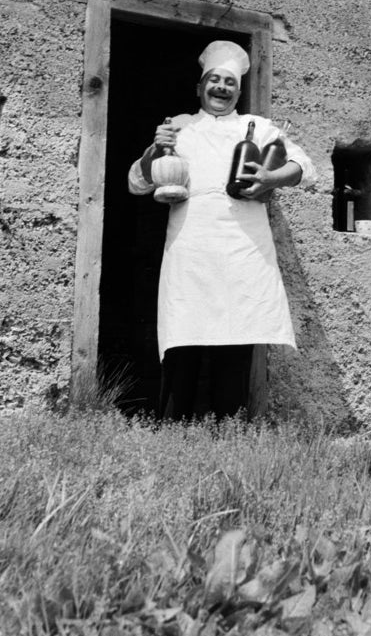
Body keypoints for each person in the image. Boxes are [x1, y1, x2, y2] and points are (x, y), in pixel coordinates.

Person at [127, 40, 316, 420]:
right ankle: (176, 430)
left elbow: (305, 166)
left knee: (237, 337)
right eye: (213, 80)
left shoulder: (258, 128)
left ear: (239, 91)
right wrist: (154, 149)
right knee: (185, 339)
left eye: (229, 82)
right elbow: (137, 183)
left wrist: (271, 177)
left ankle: (229, 429)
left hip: (242, 249)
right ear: (200, 88)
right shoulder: (178, 126)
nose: (221, 88)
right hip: (191, 250)